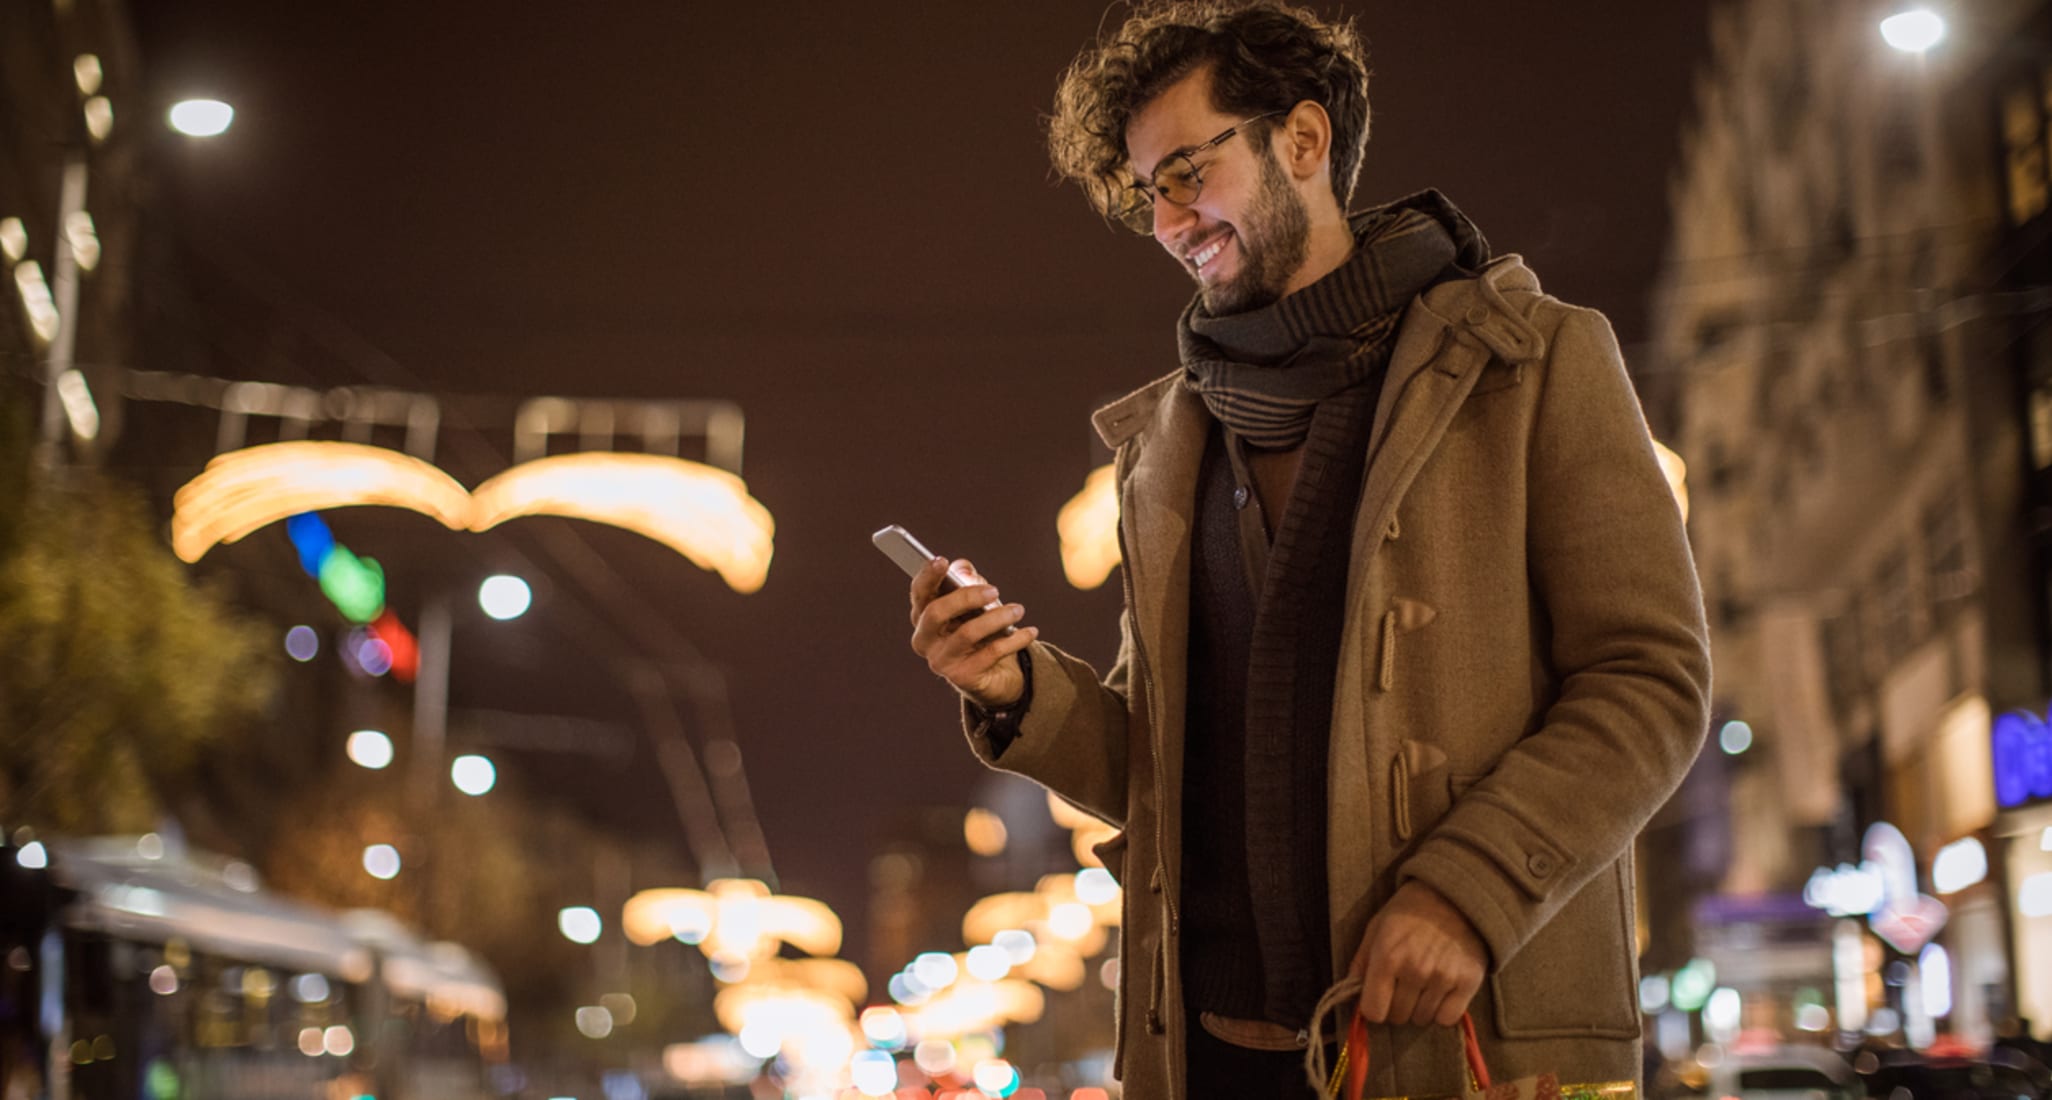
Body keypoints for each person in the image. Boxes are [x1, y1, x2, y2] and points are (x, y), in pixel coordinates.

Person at [904, 3, 1711, 1097]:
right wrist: (1011, 685)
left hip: (1455, 1035)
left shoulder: (1533, 364)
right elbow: (1164, 765)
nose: (1170, 220)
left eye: (1188, 170)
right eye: (1149, 193)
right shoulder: (1168, 446)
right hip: (1204, 1048)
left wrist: (1470, 888)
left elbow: (1649, 678)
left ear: (1303, 141)